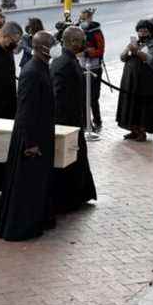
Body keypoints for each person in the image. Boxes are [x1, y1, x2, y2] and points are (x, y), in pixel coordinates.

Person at [0, 31, 56, 241]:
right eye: (52, 43)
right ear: (42, 47)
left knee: (37, 184)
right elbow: (26, 110)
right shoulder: (32, 72)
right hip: (31, 139)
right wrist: (30, 143)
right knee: (26, 185)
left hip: (41, 134)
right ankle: (21, 227)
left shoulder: (41, 67)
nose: (56, 46)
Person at [50, 27, 97, 213]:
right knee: (69, 160)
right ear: (73, 42)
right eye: (82, 40)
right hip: (66, 122)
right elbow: (59, 97)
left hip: (73, 120)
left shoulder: (69, 61)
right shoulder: (63, 64)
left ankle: (79, 195)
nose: (85, 43)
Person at [116, 20, 153, 142]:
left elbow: (150, 59)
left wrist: (137, 51)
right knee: (131, 105)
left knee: (143, 106)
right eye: (140, 30)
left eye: (145, 30)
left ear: (150, 32)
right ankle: (133, 130)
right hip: (131, 80)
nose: (142, 33)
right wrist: (127, 50)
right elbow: (122, 57)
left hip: (146, 82)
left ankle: (142, 132)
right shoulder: (134, 43)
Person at [79, 8, 105, 132]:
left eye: (84, 19)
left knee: (93, 97)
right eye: (81, 19)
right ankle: (86, 123)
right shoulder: (78, 30)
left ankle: (97, 120)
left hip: (95, 68)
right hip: (82, 67)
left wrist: (89, 52)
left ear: (90, 18)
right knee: (83, 97)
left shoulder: (96, 32)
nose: (82, 21)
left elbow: (100, 51)